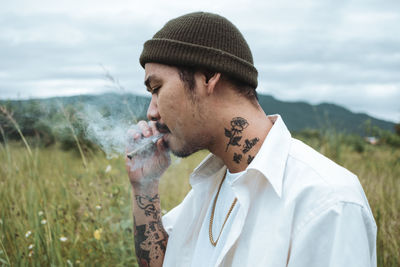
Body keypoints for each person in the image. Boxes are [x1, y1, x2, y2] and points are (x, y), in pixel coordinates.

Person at [125, 12, 377, 267]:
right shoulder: (209, 186)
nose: (151, 112)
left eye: (156, 89)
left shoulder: (327, 201)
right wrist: (144, 187)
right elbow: (164, 261)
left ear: (209, 76)